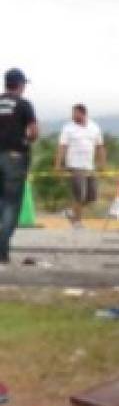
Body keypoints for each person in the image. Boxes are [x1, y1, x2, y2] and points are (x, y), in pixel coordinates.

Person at [0, 69, 38, 266]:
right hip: (14, 158)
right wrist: (26, 139)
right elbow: (33, 132)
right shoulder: (24, 105)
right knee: (10, 205)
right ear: (20, 84)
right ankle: (2, 252)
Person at [55, 104, 105, 227]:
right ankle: (77, 221)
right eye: (72, 113)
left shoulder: (94, 127)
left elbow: (100, 146)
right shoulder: (68, 128)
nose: (72, 116)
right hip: (75, 165)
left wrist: (102, 162)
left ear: (83, 114)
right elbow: (62, 146)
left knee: (92, 196)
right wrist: (58, 164)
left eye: (75, 113)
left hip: (89, 166)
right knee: (79, 194)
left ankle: (71, 211)